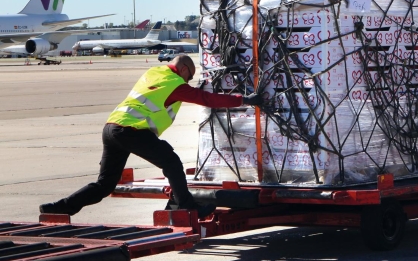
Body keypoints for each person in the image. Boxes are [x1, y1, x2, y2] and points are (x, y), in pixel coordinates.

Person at [39, 55, 262, 218]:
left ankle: (61, 207)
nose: (188, 81)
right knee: (171, 161)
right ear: (184, 69)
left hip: (111, 128)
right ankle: (188, 206)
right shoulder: (175, 84)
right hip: (131, 130)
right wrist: (243, 100)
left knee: (104, 184)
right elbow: (206, 99)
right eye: (189, 76)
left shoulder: (154, 72)